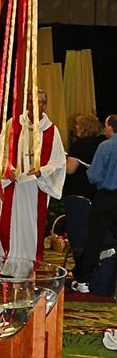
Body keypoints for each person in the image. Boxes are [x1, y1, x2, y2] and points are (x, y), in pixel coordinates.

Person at [0, 89, 66, 262]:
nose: (33, 106)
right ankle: (11, 260)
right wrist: (8, 169)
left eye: (39, 102)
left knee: (31, 225)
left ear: (44, 106)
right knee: (12, 224)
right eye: (30, 101)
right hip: (16, 184)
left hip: (37, 186)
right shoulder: (13, 124)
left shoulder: (51, 130)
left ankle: (30, 262)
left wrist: (41, 170)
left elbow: (59, 161)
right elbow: (1, 150)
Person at [72, 114, 117, 293]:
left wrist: (91, 171)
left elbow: (94, 176)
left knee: (95, 239)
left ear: (109, 127)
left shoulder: (105, 147)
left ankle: (84, 281)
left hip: (105, 198)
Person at [63, 113, 105, 200]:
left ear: (84, 127)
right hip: (99, 189)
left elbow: (70, 169)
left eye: (78, 125)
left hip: (81, 189)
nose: (76, 127)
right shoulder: (102, 143)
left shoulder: (79, 145)